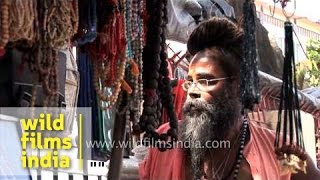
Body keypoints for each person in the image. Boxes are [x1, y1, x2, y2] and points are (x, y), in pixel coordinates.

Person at [138, 17, 320, 180]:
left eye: (206, 81)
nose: (192, 91)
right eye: (190, 82)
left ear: (238, 86)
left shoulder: (277, 150)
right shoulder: (164, 141)